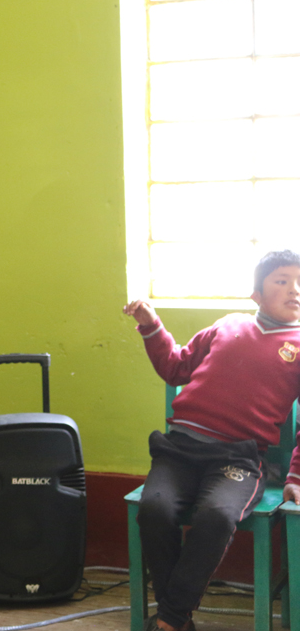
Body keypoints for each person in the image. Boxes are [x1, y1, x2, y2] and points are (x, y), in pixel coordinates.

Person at [123, 249, 300, 631]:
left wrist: (296, 477)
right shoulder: (228, 324)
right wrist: (151, 325)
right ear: (256, 294)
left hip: (238, 459)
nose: (295, 289)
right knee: (154, 510)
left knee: (216, 516)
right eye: (282, 281)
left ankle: (169, 620)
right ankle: (176, 619)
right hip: (179, 450)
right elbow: (175, 368)